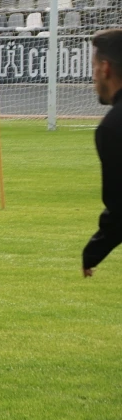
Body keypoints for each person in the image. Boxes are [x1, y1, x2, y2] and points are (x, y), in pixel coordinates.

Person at [82, 28, 122, 278]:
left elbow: (120, 207)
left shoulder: (113, 128)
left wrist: (94, 250)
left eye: (94, 68)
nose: (93, 77)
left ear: (105, 69)